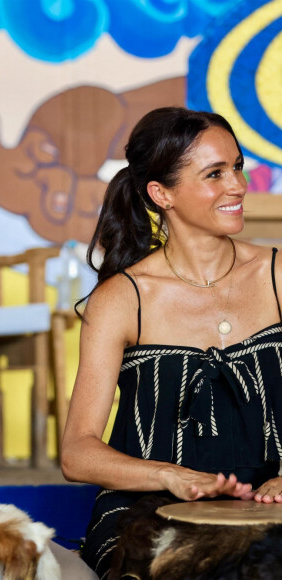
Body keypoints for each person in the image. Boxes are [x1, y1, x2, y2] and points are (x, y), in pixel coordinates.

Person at [61, 107, 282, 578]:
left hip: (271, 499)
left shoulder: (278, 276)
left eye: (238, 167)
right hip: (146, 512)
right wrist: (169, 475)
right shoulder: (121, 300)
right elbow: (77, 452)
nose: (238, 186)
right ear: (162, 194)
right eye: (215, 174)